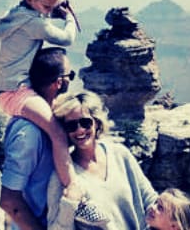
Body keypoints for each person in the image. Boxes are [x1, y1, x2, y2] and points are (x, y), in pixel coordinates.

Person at [0, 0, 78, 195]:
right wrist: (69, 18)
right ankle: (74, 191)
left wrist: (50, 12)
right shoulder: (33, 23)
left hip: (11, 90)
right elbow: (65, 39)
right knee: (58, 132)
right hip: (17, 92)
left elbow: (42, 18)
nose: (49, 11)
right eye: (46, 6)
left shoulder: (17, 15)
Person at [46, 91, 158, 230]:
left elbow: (150, 199)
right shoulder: (61, 176)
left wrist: (181, 219)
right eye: (71, 126)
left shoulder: (120, 154)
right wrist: (69, 204)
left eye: (85, 122)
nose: (80, 130)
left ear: (97, 123)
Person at [0, 47, 75, 229]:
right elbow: (9, 201)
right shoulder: (29, 133)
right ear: (59, 82)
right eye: (70, 75)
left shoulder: (51, 121)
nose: (71, 79)